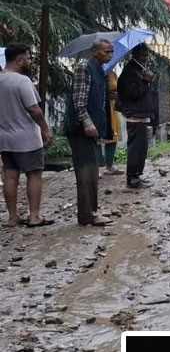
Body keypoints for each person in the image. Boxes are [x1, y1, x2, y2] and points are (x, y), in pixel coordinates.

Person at [1, 46, 54, 228]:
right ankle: (34, 216)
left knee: (9, 176)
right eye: (28, 59)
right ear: (20, 60)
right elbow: (34, 110)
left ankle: (13, 217)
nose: (30, 62)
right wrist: (45, 129)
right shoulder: (22, 81)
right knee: (34, 175)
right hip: (27, 139)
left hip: (5, 138)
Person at [66, 39, 113, 227]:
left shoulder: (100, 70)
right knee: (87, 172)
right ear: (95, 52)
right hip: (81, 129)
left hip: (92, 128)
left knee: (93, 171)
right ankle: (88, 214)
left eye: (111, 51)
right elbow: (79, 100)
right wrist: (87, 123)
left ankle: (90, 211)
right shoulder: (84, 68)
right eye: (107, 51)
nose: (110, 55)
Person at [117, 45, 157, 189]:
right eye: (143, 55)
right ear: (136, 55)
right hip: (135, 115)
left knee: (142, 148)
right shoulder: (129, 72)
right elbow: (132, 94)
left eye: (147, 55)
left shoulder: (140, 70)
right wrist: (146, 81)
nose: (146, 58)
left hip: (143, 114)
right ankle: (132, 178)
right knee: (135, 148)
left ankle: (137, 175)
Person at [101, 66, 122, 175]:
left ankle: (110, 165)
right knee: (101, 137)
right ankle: (98, 167)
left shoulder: (113, 74)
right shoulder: (99, 73)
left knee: (114, 136)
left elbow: (118, 89)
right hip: (102, 108)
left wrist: (117, 95)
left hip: (113, 108)